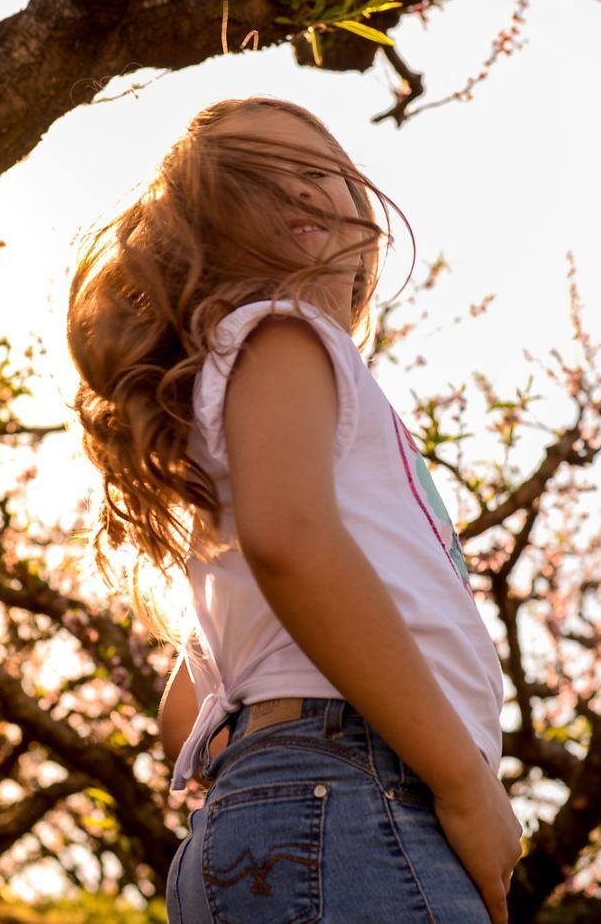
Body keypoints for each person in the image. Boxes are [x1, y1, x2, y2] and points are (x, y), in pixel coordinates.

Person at [67, 96, 520, 923]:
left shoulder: (253, 375)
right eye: (258, 181)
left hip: (287, 803)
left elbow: (193, 701)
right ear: (210, 235)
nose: (301, 193)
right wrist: (462, 782)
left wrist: (254, 780)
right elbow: (292, 541)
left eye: (320, 172)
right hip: (356, 785)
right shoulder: (283, 333)